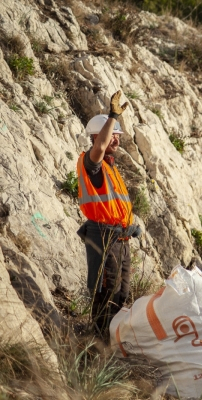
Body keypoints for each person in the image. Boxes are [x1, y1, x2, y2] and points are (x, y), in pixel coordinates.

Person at [76, 90, 141, 334]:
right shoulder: (91, 162)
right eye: (114, 135)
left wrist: (131, 226)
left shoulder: (111, 168)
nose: (117, 140)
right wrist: (113, 115)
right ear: (97, 136)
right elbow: (100, 146)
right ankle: (97, 342)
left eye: (118, 136)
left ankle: (109, 341)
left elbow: (115, 205)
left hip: (120, 239)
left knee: (121, 293)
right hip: (104, 237)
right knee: (106, 292)